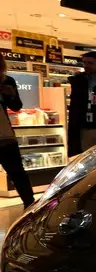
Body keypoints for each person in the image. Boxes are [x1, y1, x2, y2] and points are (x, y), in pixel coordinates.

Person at [0, 56, 35, 207]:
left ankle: (30, 205)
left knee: (17, 173)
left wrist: (11, 95)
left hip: (5, 134)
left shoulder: (6, 81)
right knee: (18, 172)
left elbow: (16, 106)